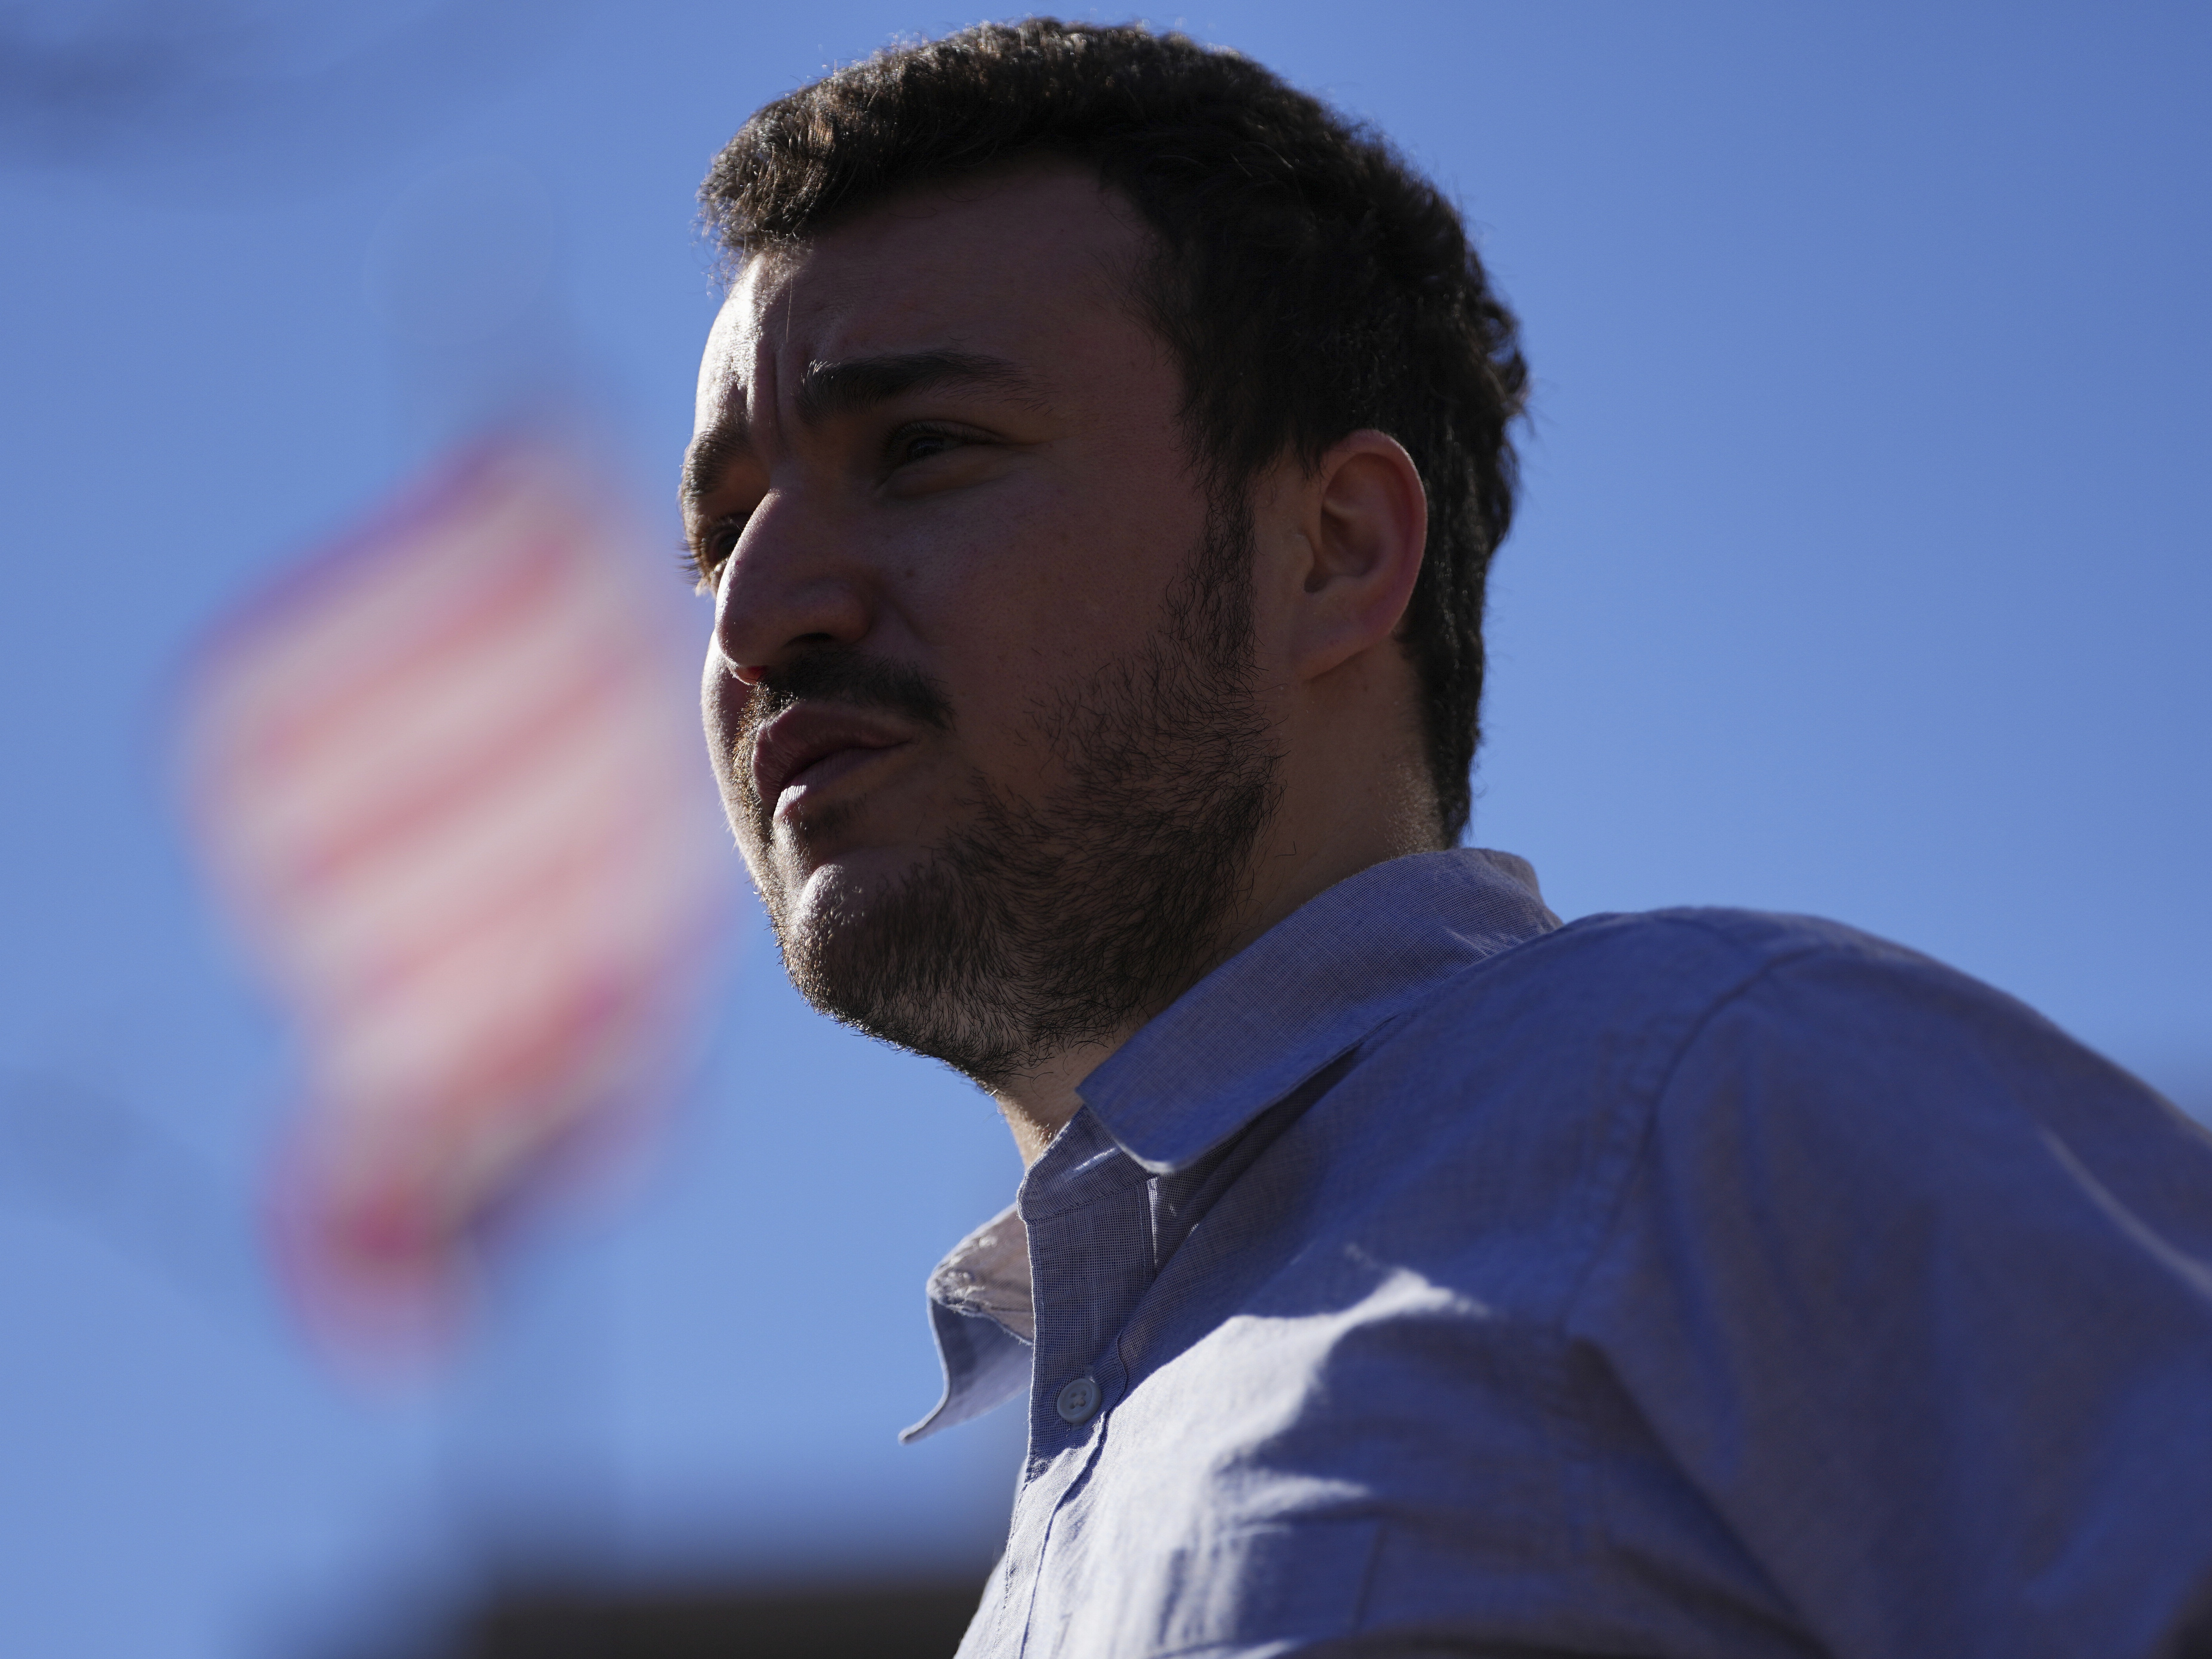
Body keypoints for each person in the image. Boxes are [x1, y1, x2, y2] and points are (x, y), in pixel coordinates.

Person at [679, 19, 2212, 1658]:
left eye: (923, 450)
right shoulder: (1050, 1547)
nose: (762, 612)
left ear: (1338, 549)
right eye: (717, 534)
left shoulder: (1709, 1097)